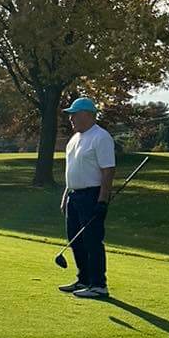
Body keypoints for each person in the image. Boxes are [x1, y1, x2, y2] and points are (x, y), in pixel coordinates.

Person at [59, 95, 115, 300]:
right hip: (74, 195)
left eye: (74, 114)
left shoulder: (101, 137)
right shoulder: (74, 139)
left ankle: (99, 285)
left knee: (92, 241)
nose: (71, 119)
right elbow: (72, 169)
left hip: (92, 195)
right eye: (70, 115)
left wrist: (102, 200)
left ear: (88, 115)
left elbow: (108, 171)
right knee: (75, 239)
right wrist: (66, 194)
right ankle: (84, 279)